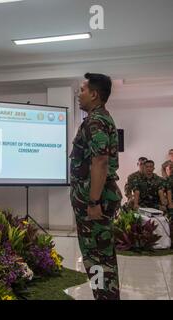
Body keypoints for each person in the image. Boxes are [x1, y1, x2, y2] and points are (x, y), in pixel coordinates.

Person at [70, 73, 121, 300]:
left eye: (82, 90)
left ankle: (104, 297)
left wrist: (93, 202)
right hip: (98, 197)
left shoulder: (95, 120)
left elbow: (99, 161)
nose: (78, 94)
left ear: (94, 94)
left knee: (96, 258)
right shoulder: (100, 118)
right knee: (103, 256)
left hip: (94, 202)